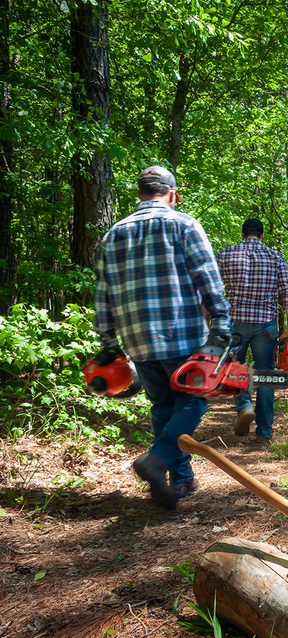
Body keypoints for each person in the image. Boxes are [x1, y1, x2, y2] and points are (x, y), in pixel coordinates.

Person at [94, 165, 232, 510]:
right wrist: (221, 324)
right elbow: (207, 276)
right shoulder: (183, 223)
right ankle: (158, 459)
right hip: (182, 333)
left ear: (140, 194)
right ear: (173, 194)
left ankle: (180, 481)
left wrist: (109, 345)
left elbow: (103, 294)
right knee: (193, 402)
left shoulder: (114, 234)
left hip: (137, 339)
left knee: (163, 406)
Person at [216, 218, 288, 442]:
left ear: (242, 234)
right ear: (262, 235)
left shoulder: (225, 254)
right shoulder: (275, 256)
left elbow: (211, 289)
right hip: (266, 324)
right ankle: (264, 432)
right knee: (265, 374)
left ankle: (244, 406)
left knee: (235, 368)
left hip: (235, 323)